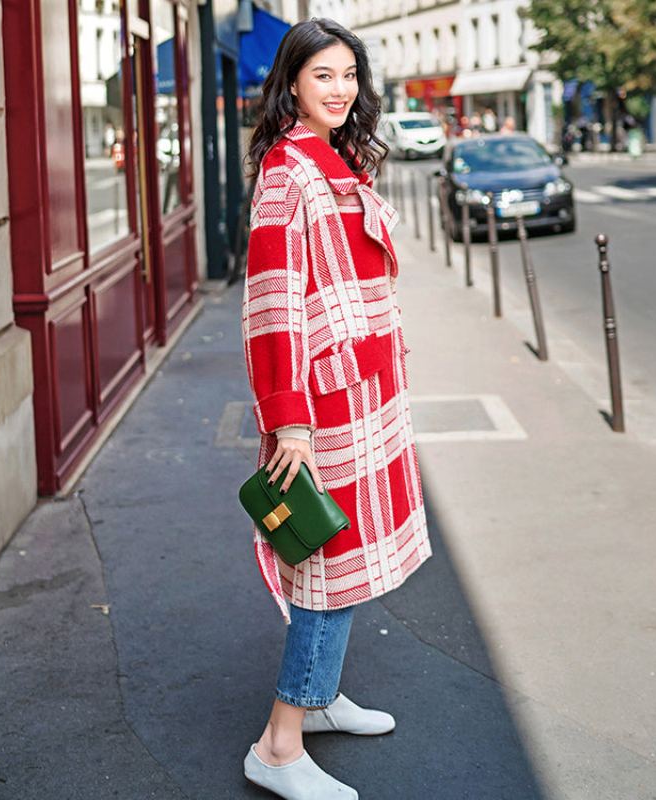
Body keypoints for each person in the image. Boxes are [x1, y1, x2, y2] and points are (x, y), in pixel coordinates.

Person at [241, 17, 432, 800]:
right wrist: (288, 417)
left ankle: (317, 704)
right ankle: (278, 746)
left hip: (363, 388)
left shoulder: (336, 161)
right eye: (323, 74)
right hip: (321, 403)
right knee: (325, 567)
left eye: (349, 74)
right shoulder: (290, 172)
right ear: (292, 83)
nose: (341, 88)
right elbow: (273, 305)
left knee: (344, 564)